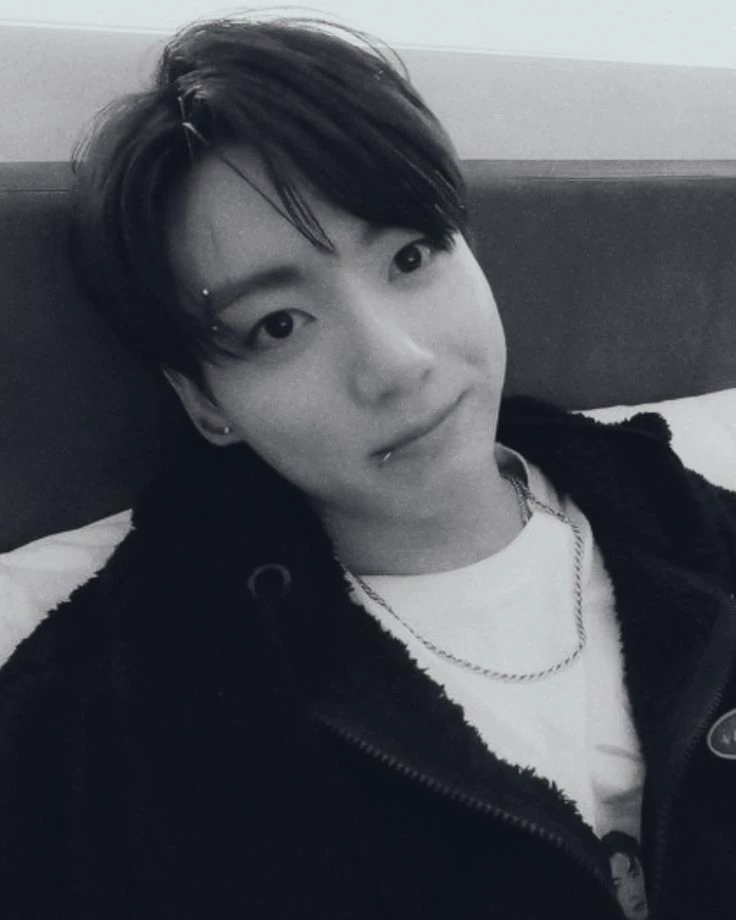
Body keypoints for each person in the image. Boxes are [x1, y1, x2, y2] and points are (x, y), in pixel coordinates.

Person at [1, 12, 735, 919]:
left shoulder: (698, 535)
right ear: (203, 402)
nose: (396, 362)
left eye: (411, 257)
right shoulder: (124, 725)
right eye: (279, 326)